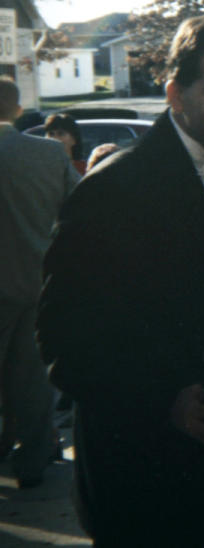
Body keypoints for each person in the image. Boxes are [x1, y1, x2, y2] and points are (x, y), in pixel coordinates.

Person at [37, 16, 204, 547]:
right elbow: (61, 341)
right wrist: (166, 401)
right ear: (175, 94)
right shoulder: (115, 190)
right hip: (146, 483)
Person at [0, 78, 78, 488]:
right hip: (37, 281)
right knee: (32, 381)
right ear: (16, 109)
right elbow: (79, 208)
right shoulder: (48, 155)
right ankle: (31, 460)